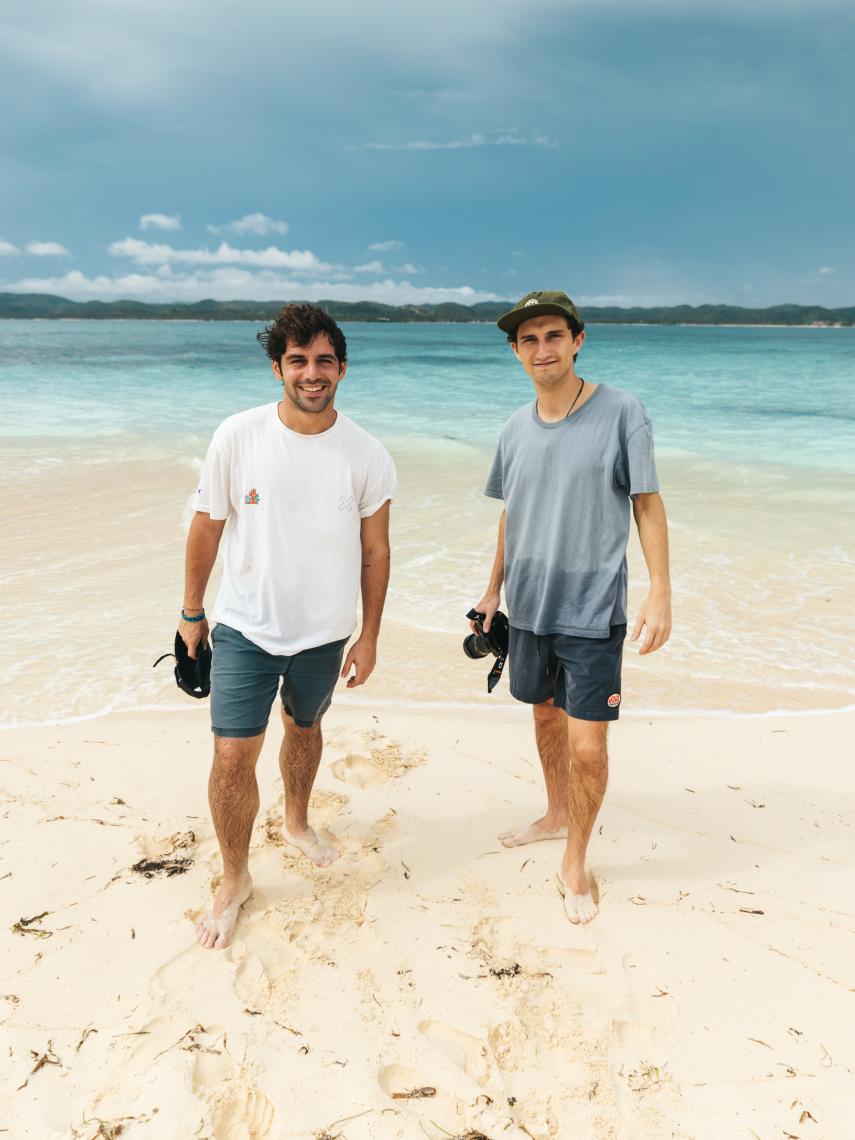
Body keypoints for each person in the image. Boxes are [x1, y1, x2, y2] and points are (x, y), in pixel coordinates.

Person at [180, 302, 396, 950]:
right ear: (278, 367)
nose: (311, 373)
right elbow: (206, 526)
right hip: (245, 627)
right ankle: (235, 877)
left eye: (324, 360)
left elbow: (376, 551)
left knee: (305, 729)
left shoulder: (366, 452)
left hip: (325, 633)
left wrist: (370, 635)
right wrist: (191, 611)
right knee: (231, 754)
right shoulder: (237, 436)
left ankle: (297, 822)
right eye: (297, 360)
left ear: (342, 369)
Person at [473, 290, 671, 925]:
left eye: (554, 335)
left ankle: (575, 860)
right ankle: (557, 813)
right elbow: (513, 514)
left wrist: (660, 591)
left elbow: (646, 502)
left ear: (577, 340)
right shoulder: (513, 428)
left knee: (588, 748)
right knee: (543, 716)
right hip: (529, 607)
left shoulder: (622, 412)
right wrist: (492, 590)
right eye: (529, 340)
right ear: (515, 351)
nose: (542, 349)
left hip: (593, 609)